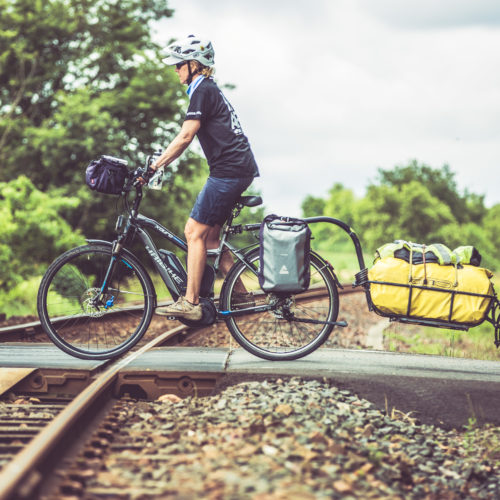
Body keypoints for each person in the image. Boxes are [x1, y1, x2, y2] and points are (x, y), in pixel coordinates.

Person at [146, 35, 259, 321]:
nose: (175, 70)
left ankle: (191, 302)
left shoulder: (203, 90)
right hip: (236, 169)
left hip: (229, 171)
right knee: (209, 239)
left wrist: (154, 166)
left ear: (194, 65)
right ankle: (242, 296)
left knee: (193, 232)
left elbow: (185, 136)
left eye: (178, 64)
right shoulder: (207, 89)